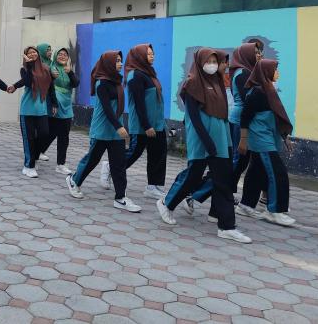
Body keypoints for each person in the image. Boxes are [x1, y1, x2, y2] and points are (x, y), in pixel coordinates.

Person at [157, 48, 252, 244]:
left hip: (221, 139)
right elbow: (193, 117)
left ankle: (226, 226)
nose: (212, 64)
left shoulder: (217, 82)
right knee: (193, 176)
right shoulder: (192, 83)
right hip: (202, 139)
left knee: (223, 181)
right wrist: (208, 142)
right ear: (200, 62)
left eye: (214, 60)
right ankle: (167, 203)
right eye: (208, 60)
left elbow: (222, 115)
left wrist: (226, 143)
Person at [66, 50, 140, 212]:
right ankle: (74, 181)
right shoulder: (102, 83)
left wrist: (118, 126)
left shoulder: (116, 81)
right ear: (108, 63)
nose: (120, 64)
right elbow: (107, 109)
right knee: (92, 159)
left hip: (115, 129)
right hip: (102, 128)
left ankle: (120, 197)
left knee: (119, 164)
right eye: (117, 61)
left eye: (121, 61)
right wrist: (119, 127)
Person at [238, 59, 296, 226]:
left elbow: (278, 117)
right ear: (266, 72)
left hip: (270, 137)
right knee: (278, 173)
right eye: (275, 70)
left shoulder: (269, 90)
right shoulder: (257, 93)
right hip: (260, 139)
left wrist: (285, 137)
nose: (278, 73)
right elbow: (245, 118)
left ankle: (245, 205)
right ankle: (275, 211)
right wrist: (243, 141)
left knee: (257, 173)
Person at [118, 44, 167, 199]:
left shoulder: (149, 73)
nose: (152, 56)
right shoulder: (135, 76)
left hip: (157, 123)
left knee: (158, 153)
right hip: (142, 125)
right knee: (134, 152)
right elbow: (139, 103)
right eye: (148, 54)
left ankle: (153, 186)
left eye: (153, 53)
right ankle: (113, 168)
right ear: (139, 56)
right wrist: (146, 125)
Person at [13, 45, 56, 178]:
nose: (32, 54)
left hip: (41, 109)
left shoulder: (45, 69)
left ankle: (35, 156)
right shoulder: (24, 69)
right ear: (26, 56)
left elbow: (50, 87)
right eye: (29, 53)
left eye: (34, 52)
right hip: (27, 110)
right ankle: (28, 166)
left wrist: (54, 103)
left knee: (44, 134)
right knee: (29, 138)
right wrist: (30, 65)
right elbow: (27, 81)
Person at [37, 47, 79, 175]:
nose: (62, 56)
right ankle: (35, 155)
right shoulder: (51, 68)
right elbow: (45, 84)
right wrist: (51, 75)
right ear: (56, 56)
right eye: (60, 54)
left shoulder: (68, 69)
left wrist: (70, 72)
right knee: (50, 133)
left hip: (66, 105)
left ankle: (60, 163)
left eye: (65, 55)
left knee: (62, 136)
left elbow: (76, 83)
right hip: (54, 105)